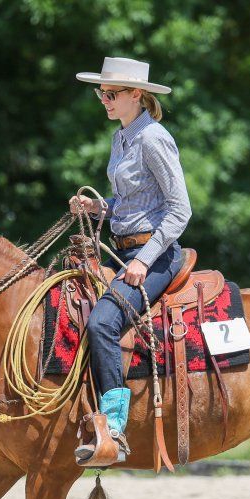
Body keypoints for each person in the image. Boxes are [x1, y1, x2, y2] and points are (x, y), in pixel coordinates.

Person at [69, 57, 192, 461]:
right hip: (124, 250)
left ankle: (115, 426)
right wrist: (97, 207)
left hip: (154, 256)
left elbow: (179, 210)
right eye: (100, 93)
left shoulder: (154, 138)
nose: (103, 100)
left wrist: (145, 259)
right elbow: (131, 203)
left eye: (111, 93)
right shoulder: (121, 138)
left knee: (102, 322)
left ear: (136, 95)